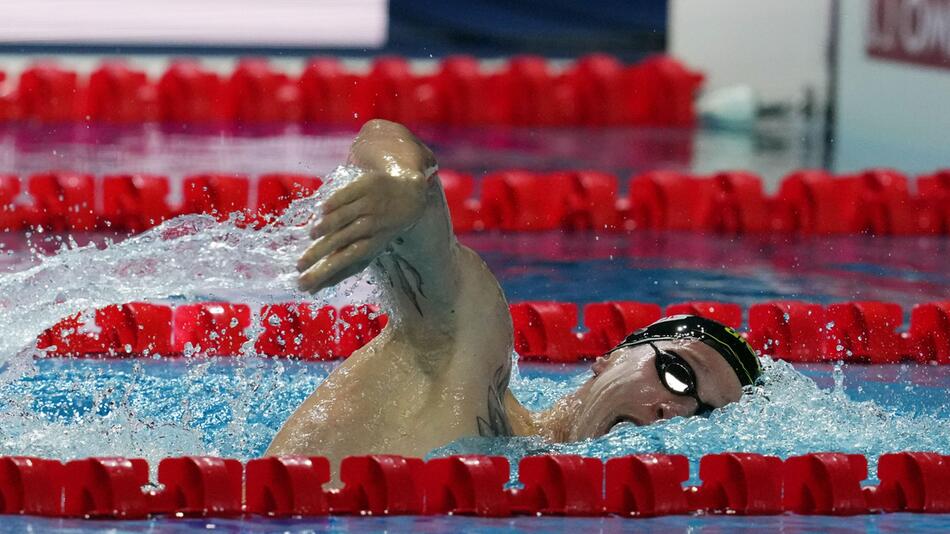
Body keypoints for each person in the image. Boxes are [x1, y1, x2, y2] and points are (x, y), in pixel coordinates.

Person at [266, 119, 762, 466]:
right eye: (677, 377)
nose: (672, 413)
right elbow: (383, 136)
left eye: (703, 415)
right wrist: (404, 185)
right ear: (612, 355)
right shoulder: (466, 362)